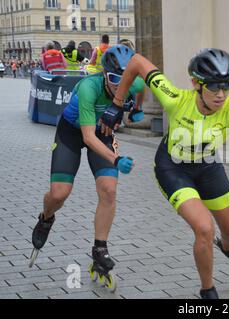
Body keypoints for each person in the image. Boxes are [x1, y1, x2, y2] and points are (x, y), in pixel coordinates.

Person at [109, 48, 229, 299]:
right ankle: (208, 290)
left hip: (208, 167)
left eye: (226, 86)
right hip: (173, 168)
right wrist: (117, 104)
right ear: (196, 84)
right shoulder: (175, 98)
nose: (221, 94)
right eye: (213, 86)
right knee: (204, 228)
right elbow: (136, 61)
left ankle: (226, 248)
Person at [29, 45, 146, 292]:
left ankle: (100, 250)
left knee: (109, 191)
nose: (119, 85)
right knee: (59, 194)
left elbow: (141, 86)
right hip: (73, 133)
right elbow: (88, 137)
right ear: (104, 74)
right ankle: (46, 218)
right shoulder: (88, 88)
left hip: (103, 134)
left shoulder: (132, 84)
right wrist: (115, 160)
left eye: (124, 79)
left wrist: (136, 109)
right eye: (114, 78)